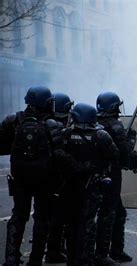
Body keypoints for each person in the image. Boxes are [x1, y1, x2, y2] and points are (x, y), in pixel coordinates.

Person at [0, 86, 63, 266]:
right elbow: (59, 154)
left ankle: (11, 259)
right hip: (45, 180)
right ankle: (35, 261)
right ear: (46, 103)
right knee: (42, 219)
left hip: (20, 179)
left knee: (18, 216)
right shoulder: (53, 124)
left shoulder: (12, 121)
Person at [62, 103, 119, 265]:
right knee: (87, 222)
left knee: (71, 222)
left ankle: (72, 258)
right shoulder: (101, 135)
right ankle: (85, 258)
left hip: (71, 185)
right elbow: (115, 155)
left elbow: (58, 156)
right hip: (92, 185)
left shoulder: (66, 134)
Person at [96, 92, 136, 263]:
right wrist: (131, 138)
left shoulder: (92, 123)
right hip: (111, 175)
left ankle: (115, 251)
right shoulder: (116, 126)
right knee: (109, 213)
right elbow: (124, 154)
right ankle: (103, 255)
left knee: (115, 212)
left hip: (93, 174)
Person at [45, 93, 74, 263]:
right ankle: (54, 251)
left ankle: (54, 249)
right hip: (58, 178)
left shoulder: (44, 124)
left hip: (45, 178)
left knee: (49, 217)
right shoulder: (58, 128)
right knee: (59, 217)